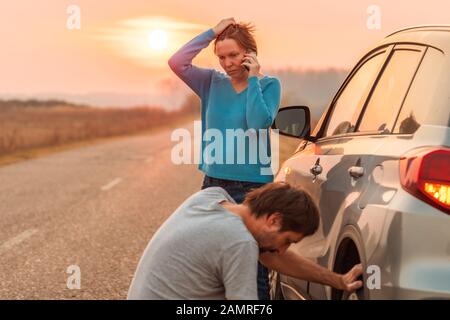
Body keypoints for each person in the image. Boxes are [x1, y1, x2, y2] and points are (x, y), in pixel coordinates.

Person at [168, 17, 281, 299]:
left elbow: (258, 122)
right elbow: (177, 62)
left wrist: (253, 78)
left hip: (252, 189)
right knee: (208, 259)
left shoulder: (268, 85)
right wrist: (212, 32)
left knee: (252, 265)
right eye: (221, 57)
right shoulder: (209, 82)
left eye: (233, 55)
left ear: (250, 54)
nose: (228, 63)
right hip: (214, 184)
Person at [127, 183, 363, 300]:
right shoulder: (239, 242)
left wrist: (338, 280)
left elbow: (272, 256)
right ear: (274, 219)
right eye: (287, 240)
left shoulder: (211, 198)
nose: (283, 250)